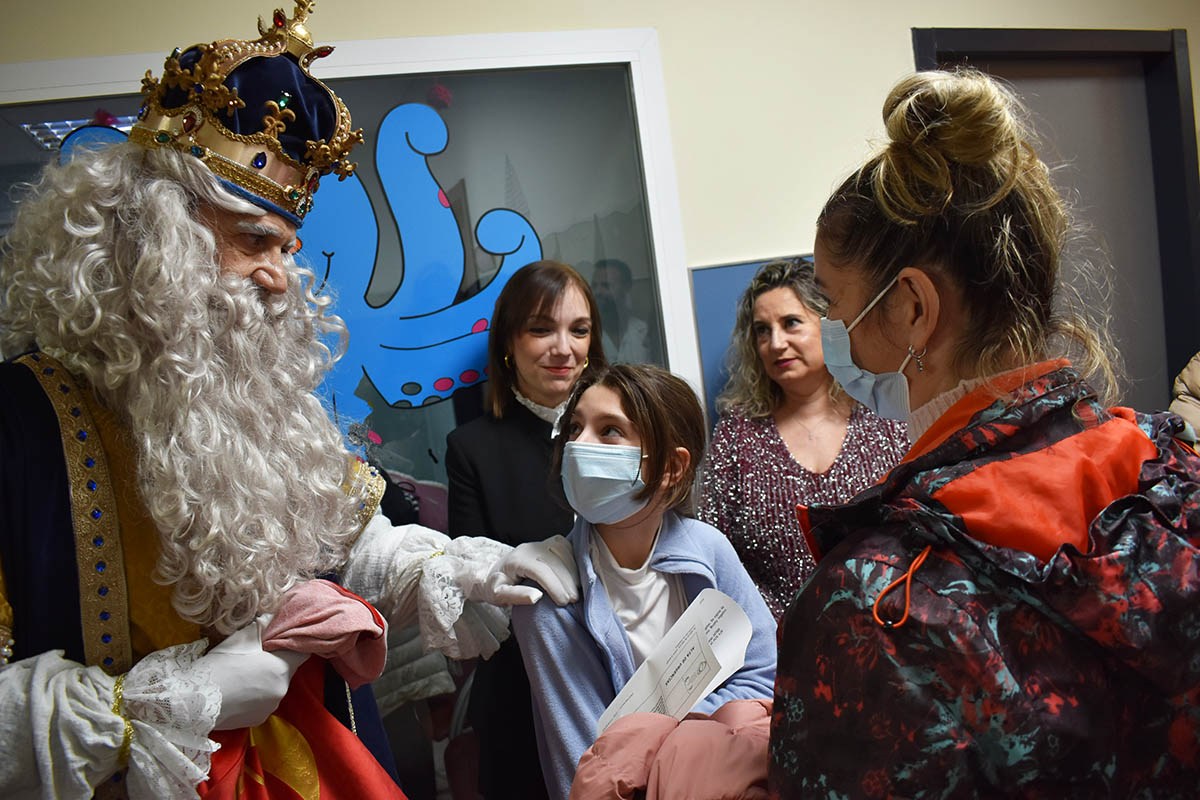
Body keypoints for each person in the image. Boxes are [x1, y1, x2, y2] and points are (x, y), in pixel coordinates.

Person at [0, 6, 577, 798]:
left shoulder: (252, 394)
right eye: (253, 239)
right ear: (151, 234)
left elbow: (346, 546)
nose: (278, 277)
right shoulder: (16, 423)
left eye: (287, 247)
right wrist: (146, 711)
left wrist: (450, 566)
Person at [769, 69, 1200, 797]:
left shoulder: (879, 608)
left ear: (911, 308)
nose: (829, 333)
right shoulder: (1172, 471)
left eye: (834, 304)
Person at [512, 363, 777, 800]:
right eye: (574, 427)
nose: (579, 445)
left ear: (672, 467)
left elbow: (763, 677)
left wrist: (666, 743)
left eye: (609, 430)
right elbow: (582, 764)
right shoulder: (547, 596)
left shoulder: (709, 550)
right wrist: (705, 730)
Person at [444, 259, 607, 799]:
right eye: (542, 329)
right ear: (509, 343)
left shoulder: (626, 430)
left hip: (631, 675)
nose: (564, 348)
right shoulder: (472, 448)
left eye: (578, 330)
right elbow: (471, 593)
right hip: (525, 687)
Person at [698, 258, 909, 619]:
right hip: (780, 650)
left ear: (830, 327)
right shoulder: (737, 434)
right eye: (762, 331)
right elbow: (715, 553)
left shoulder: (885, 413)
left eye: (791, 323)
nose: (775, 343)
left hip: (891, 629)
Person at [591, 258, 652, 364]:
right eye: (595, 286)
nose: (598, 292)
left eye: (606, 285)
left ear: (626, 287)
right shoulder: (589, 336)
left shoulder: (644, 333)